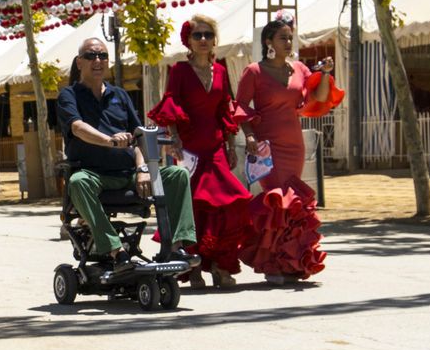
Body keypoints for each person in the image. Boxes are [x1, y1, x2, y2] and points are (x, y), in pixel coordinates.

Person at [56, 37, 196, 264]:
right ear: (79, 62)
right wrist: (109, 140)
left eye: (103, 56)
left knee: (177, 175)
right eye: (91, 56)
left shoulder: (120, 95)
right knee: (77, 182)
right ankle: (115, 250)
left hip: (129, 174)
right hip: (94, 175)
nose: (98, 60)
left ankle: (175, 246)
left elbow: (139, 134)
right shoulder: (68, 95)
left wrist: (142, 168)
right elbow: (77, 128)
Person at [148, 15, 253, 288]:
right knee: (191, 207)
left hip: (216, 147)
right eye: (198, 35)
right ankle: (192, 266)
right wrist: (174, 139)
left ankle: (220, 264)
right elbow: (170, 106)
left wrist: (231, 145)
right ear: (189, 41)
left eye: (208, 34)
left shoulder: (220, 70)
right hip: (188, 150)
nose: (203, 40)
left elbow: (224, 109)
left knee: (230, 201)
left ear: (214, 39)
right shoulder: (179, 71)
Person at [234, 17, 327, 283]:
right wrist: (249, 135)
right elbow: (240, 107)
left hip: (293, 144)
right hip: (268, 146)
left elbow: (318, 98)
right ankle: (272, 264)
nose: (288, 42)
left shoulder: (299, 68)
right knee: (277, 201)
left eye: (290, 38)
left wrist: (326, 74)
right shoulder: (254, 71)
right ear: (268, 42)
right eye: (283, 38)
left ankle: (292, 262)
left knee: (294, 202)